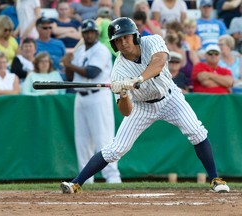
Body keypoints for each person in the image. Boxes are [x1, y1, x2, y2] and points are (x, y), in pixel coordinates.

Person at [60, 17, 230, 194]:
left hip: (170, 97)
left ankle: (215, 179)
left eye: (126, 37)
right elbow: (126, 111)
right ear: (114, 44)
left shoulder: (152, 40)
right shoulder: (118, 71)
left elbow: (159, 62)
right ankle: (76, 183)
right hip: (142, 106)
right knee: (116, 149)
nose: (123, 42)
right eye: (118, 39)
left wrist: (138, 79)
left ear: (135, 36)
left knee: (196, 131)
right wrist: (124, 93)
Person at [61, 19, 121, 184]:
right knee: (82, 140)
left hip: (98, 96)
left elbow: (92, 73)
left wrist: (69, 64)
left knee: (104, 139)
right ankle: (85, 180)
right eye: (86, 32)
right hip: (81, 97)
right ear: (83, 34)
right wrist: (68, 65)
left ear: (97, 33)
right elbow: (70, 78)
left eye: (92, 32)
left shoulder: (101, 50)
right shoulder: (79, 51)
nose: (89, 35)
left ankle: (113, 178)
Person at [165, 21, 200, 92]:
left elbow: (199, 72)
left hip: (190, 90)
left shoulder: (190, 54)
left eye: (170, 33)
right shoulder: (164, 56)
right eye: (167, 32)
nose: (167, 35)